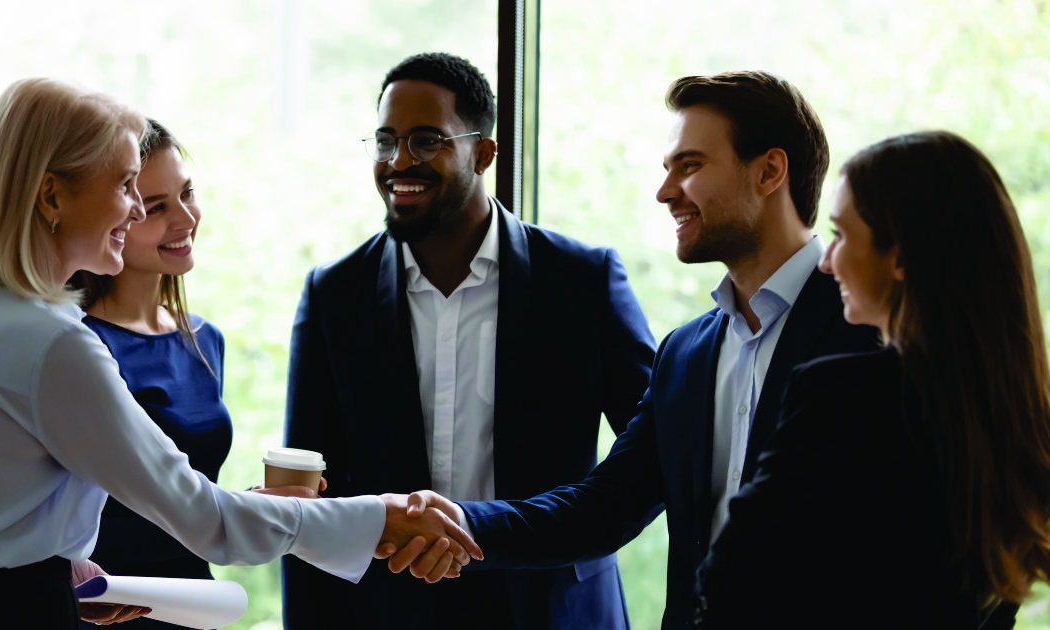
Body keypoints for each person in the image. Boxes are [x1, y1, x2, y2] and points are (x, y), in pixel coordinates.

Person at [0, 77, 479, 630]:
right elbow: (205, 519)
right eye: (127, 186)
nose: (135, 208)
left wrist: (42, 570)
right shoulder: (55, 344)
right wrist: (381, 518)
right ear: (51, 198)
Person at [385, 71, 882, 628]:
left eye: (689, 166)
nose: (666, 191)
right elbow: (603, 508)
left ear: (769, 171)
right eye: (667, 169)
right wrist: (463, 523)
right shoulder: (685, 355)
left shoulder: (875, 334)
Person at [280, 52, 657, 629]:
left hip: (554, 603)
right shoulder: (335, 294)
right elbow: (308, 495)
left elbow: (655, 451)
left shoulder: (583, 281)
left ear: (483, 153)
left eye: (427, 141)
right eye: (386, 141)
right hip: (389, 609)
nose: (400, 161)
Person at [693, 130, 1049, 628]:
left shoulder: (841, 394)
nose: (826, 259)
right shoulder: (1017, 413)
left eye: (840, 234)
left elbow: (730, 580)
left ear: (899, 257)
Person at [70, 120, 292, 630]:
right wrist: (231, 518)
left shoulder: (203, 339)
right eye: (156, 206)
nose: (187, 218)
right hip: (107, 605)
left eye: (188, 194)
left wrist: (249, 508)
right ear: (112, 215)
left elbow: (191, 492)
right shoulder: (76, 345)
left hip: (194, 605)